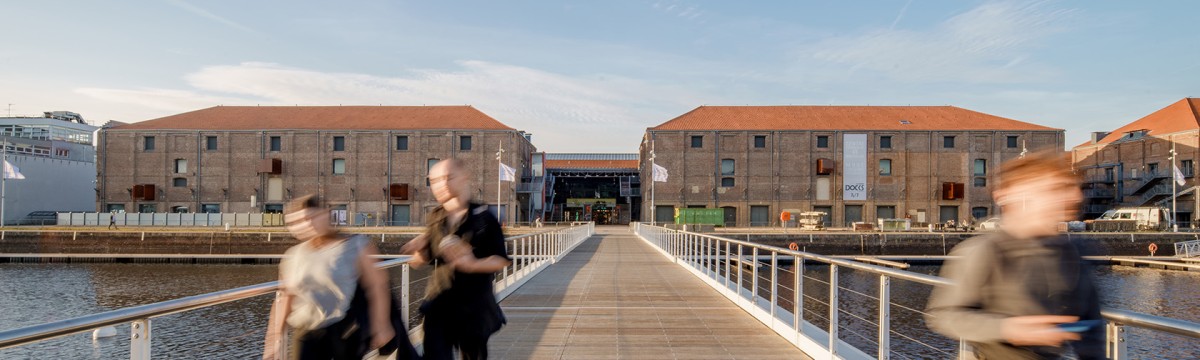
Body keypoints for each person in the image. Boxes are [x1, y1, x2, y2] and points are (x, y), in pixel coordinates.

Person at [925, 151, 1103, 359]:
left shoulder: (1073, 252)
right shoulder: (985, 251)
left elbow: (1092, 327)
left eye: (1071, 188)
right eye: (1055, 189)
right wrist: (1008, 329)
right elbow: (944, 314)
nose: (1074, 197)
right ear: (1020, 195)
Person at [401, 158, 512, 360]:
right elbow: (427, 258)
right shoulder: (435, 216)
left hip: (473, 309)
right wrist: (417, 253)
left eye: (448, 178)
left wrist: (472, 264)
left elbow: (501, 260)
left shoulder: (484, 218)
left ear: (464, 178)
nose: (441, 185)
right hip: (439, 306)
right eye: (434, 181)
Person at [263, 195, 395, 360]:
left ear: (325, 214)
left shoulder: (357, 245)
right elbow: (285, 297)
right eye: (295, 222)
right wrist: (275, 338)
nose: (306, 225)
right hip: (305, 332)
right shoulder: (292, 255)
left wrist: (381, 325)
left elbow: (378, 285)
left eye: (310, 217)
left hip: (344, 329)